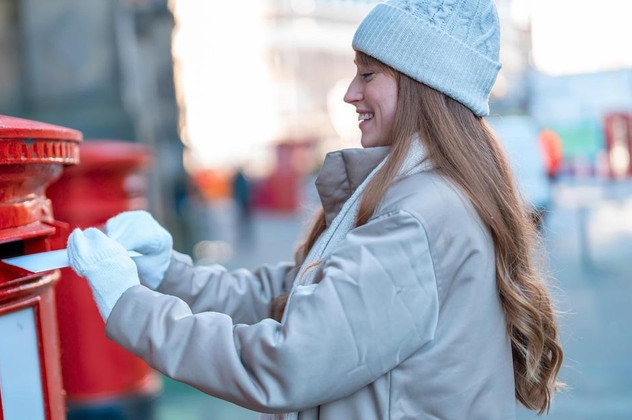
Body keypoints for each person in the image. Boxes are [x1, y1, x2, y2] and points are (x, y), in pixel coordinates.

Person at [66, 0, 564, 418]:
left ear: (421, 86)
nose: (351, 93)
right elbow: (292, 294)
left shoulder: (419, 216)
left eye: (368, 74)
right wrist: (167, 274)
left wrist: (129, 305)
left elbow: (290, 362)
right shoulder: (420, 197)